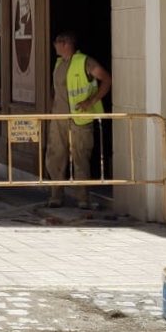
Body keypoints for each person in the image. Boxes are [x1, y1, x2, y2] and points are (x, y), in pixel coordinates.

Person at [43, 30, 111, 208]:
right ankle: (56, 196)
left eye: (56, 42)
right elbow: (56, 91)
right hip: (59, 119)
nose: (54, 46)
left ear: (65, 44)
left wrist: (91, 101)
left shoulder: (85, 62)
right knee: (55, 157)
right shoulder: (59, 63)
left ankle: (83, 198)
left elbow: (106, 79)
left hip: (79, 119)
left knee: (81, 158)